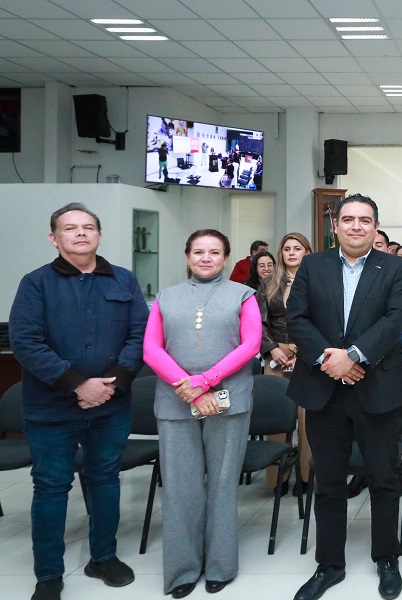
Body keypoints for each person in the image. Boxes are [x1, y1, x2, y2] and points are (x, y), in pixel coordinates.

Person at [10, 203, 148, 600]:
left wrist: (112, 385)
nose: (81, 234)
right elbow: (26, 342)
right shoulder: (35, 283)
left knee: (104, 479)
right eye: (70, 228)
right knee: (51, 487)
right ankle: (49, 574)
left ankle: (103, 557)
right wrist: (78, 384)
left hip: (110, 405)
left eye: (89, 227)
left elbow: (139, 335)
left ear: (100, 236)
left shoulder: (123, 280)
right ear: (54, 239)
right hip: (51, 409)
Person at [287, 194, 402, 600]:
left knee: (383, 477)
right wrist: (330, 359)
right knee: (328, 481)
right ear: (335, 226)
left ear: (376, 227)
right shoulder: (312, 264)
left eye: (365, 220)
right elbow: (297, 319)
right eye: (349, 219)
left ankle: (386, 558)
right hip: (324, 390)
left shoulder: (394, 267)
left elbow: (396, 319)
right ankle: (330, 564)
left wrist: (354, 356)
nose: (356, 226)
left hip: (376, 386)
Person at [142, 229, 261, 598]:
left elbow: (251, 343)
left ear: (226, 258)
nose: (205, 258)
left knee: (224, 485)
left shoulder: (244, 295)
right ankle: (181, 571)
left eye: (214, 252)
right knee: (180, 489)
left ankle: (220, 566)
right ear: (187, 256)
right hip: (176, 401)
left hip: (227, 400)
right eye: (198, 251)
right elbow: (150, 349)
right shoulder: (166, 297)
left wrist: (206, 381)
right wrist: (187, 384)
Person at [257, 233, 314, 487]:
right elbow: (256, 324)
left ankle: (307, 476)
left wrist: (306, 351)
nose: (291, 253)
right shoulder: (268, 282)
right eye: (287, 248)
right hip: (276, 355)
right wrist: (271, 349)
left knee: (308, 420)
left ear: (307, 252)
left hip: (309, 356)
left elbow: (325, 321)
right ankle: (276, 479)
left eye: (297, 248)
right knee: (275, 418)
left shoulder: (318, 281)